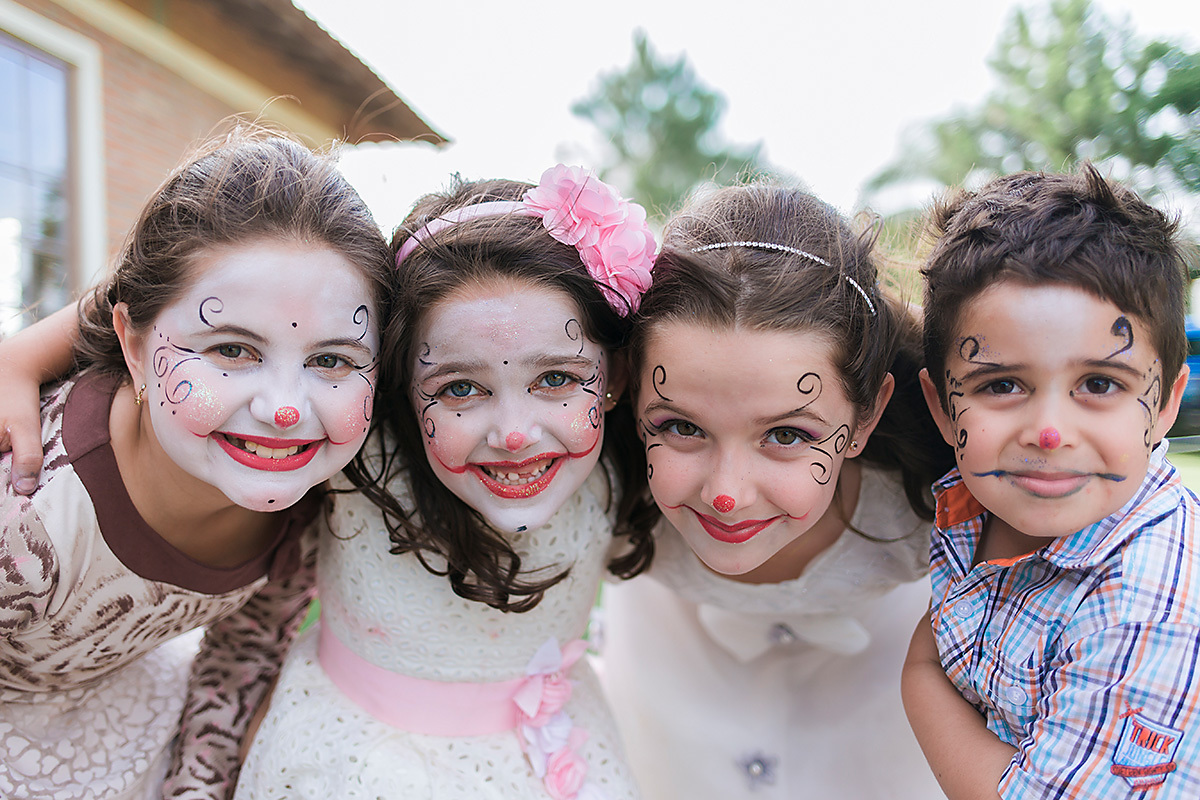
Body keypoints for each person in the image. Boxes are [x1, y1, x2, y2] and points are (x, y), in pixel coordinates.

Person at [231, 166, 658, 799]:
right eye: (460, 388)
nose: (514, 433)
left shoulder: (631, 471)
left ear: (617, 377)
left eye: (557, 380)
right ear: (399, 386)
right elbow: (185, 293)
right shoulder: (354, 458)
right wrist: (29, 353)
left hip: (561, 767)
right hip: (346, 767)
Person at [0, 128, 392, 800]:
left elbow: (242, 658)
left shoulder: (309, 504)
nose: (285, 409)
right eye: (234, 350)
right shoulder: (28, 509)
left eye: (332, 360)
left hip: (120, 723)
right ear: (132, 342)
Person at [599, 183, 954, 797]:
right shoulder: (600, 501)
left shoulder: (941, 516)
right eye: (681, 427)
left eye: (786, 435)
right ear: (630, 399)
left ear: (865, 418)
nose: (726, 494)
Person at [904, 165, 1200, 799]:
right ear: (941, 407)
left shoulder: (1150, 611)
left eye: (1100, 384)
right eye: (1001, 385)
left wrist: (920, 675)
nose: (1047, 432)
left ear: (1167, 403)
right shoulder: (973, 496)